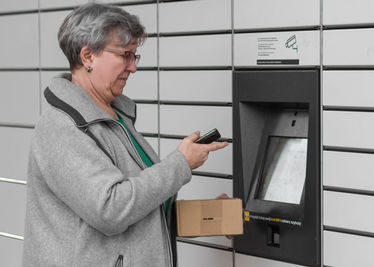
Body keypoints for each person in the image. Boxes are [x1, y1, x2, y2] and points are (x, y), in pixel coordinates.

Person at [22, 3, 228, 267]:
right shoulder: (61, 127)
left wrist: (213, 216)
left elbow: (143, 213)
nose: (133, 67)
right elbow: (111, 209)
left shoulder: (114, 116)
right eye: (125, 55)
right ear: (88, 57)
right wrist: (180, 164)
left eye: (135, 56)